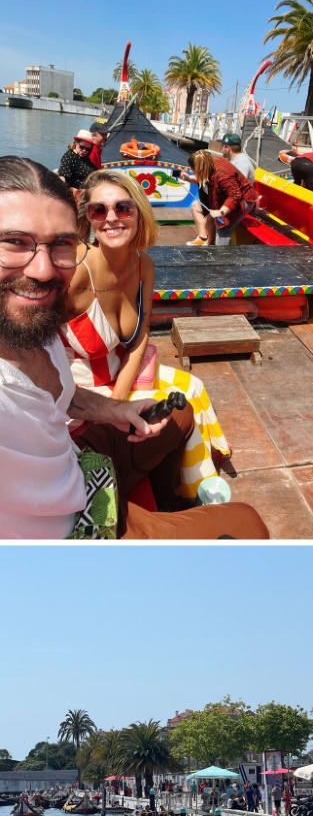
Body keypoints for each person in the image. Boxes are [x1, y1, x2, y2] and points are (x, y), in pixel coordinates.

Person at [0, 156, 268, 539]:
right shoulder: (67, 284)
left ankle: (180, 498)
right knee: (248, 525)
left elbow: (77, 381)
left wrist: (116, 407)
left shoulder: (43, 319)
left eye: (60, 244)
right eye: (13, 241)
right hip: (77, 529)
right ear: (89, 221)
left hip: (82, 459)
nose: (42, 270)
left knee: (183, 409)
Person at [62, 169, 234, 501]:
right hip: (78, 392)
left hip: (116, 379)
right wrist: (109, 409)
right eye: (99, 210)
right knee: (177, 411)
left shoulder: (144, 267)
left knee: (194, 387)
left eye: (123, 208)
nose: (111, 218)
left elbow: (140, 337)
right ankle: (187, 490)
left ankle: (191, 489)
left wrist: (120, 399)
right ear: (89, 219)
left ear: (139, 212)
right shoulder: (76, 275)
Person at [185, 149, 257, 246]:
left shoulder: (222, 174)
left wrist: (221, 211)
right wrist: (189, 178)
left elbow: (235, 195)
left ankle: (222, 257)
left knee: (223, 227)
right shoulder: (208, 162)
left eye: (194, 171)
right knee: (197, 207)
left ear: (201, 168)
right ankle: (206, 241)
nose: (193, 172)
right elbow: (203, 177)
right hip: (224, 195)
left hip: (244, 198)